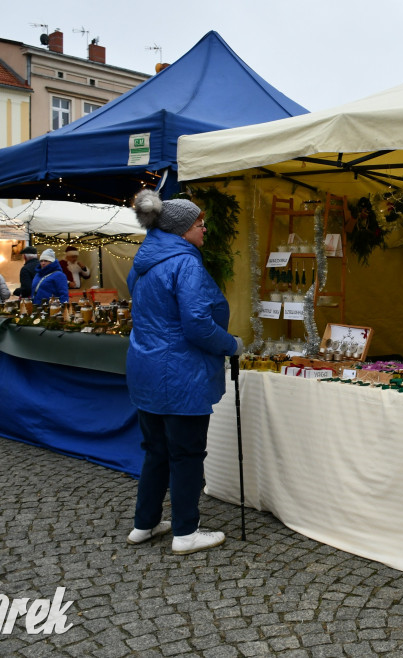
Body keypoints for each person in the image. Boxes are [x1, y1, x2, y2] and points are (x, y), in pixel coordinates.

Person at [126, 189, 243, 555]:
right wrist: (232, 344)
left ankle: (144, 524)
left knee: (156, 451)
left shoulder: (143, 262)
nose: (204, 229)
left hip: (146, 367)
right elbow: (196, 324)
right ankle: (186, 532)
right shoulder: (185, 263)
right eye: (198, 223)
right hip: (180, 373)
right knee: (187, 453)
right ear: (180, 229)